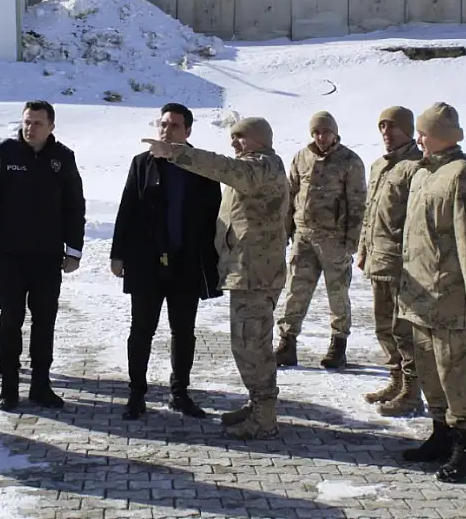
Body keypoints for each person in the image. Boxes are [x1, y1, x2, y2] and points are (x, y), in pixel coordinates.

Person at [143, 117, 289, 440]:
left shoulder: (262, 166)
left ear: (260, 139)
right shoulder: (257, 167)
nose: (235, 144)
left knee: (253, 345)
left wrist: (177, 153)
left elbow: (223, 168)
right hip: (248, 271)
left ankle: (265, 418)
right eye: (233, 138)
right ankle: (258, 405)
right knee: (247, 343)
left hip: (256, 274)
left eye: (241, 138)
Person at [396, 102, 466, 483]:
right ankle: (440, 435)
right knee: (429, 370)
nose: (417, 138)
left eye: (422, 132)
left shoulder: (464, 175)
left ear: (441, 134)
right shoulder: (424, 174)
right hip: (420, 296)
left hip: (449, 297)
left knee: (456, 373)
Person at [0, 100, 86, 412]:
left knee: (44, 321)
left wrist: (73, 251)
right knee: (10, 320)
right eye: (26, 121)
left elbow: (75, 207)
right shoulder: (3, 154)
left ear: (51, 127)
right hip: (9, 255)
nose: (30, 128)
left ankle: (40, 385)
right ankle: (9, 387)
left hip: (47, 257)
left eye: (37, 123)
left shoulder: (63, 158)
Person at [111, 103, 222, 420]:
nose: (166, 130)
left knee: (183, 332)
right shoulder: (142, 163)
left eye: (174, 125)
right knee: (141, 330)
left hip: (186, 264)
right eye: (162, 124)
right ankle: (136, 394)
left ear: (188, 131)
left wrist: (216, 261)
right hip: (146, 262)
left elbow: (215, 217)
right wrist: (118, 254)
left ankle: (180, 393)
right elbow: (127, 209)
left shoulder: (201, 166)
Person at [275, 111, 365, 369]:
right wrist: (286, 231)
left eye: (325, 132)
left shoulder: (350, 161)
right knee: (295, 291)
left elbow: (358, 203)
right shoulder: (301, 157)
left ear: (335, 132)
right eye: (316, 132)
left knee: (337, 294)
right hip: (303, 236)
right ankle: (287, 342)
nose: (321, 137)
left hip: (334, 238)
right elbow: (290, 194)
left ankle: (338, 345)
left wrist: (352, 241)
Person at [357, 106, 425, 417]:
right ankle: (396, 381)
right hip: (378, 261)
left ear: (409, 130)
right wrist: (363, 249)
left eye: (393, 126)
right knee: (384, 327)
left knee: (404, 330)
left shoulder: (417, 167)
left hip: (403, 265)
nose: (387, 131)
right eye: (382, 125)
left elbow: (417, 221)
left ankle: (412, 391)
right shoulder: (379, 166)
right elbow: (371, 213)